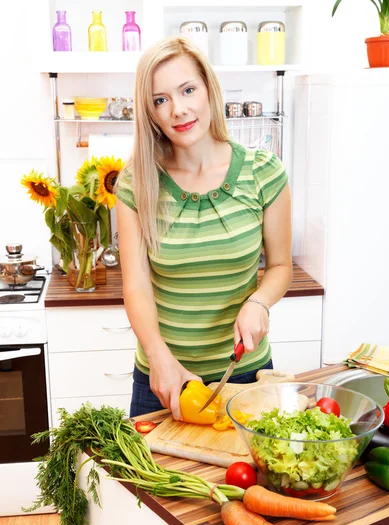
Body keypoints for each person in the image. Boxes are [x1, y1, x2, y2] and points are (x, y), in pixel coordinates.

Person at [116, 36, 292, 421]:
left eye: (187, 90)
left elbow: (280, 267)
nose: (178, 109)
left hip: (244, 372)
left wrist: (259, 302)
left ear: (209, 90)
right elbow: (136, 285)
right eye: (160, 100)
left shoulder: (263, 172)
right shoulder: (137, 183)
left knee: (247, 481)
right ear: (150, 113)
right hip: (163, 377)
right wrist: (160, 359)